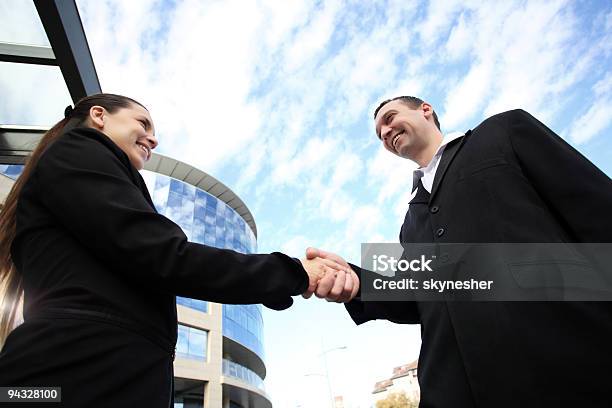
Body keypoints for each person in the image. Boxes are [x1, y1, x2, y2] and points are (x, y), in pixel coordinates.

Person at [0, 93, 358, 407]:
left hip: (85, 371)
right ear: (99, 116)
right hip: (76, 374)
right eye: (143, 122)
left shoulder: (78, 166)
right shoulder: (80, 151)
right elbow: (165, 256)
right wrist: (293, 273)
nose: (153, 139)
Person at [308, 96, 612, 407]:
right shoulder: (409, 223)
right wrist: (356, 280)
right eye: (378, 133)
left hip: (572, 369)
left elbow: (597, 213)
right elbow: (418, 297)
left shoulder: (503, 131)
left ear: (425, 110)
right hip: (456, 393)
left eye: (389, 118)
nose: (384, 132)